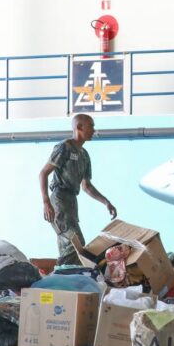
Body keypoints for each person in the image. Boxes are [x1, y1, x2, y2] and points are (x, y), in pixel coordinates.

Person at [39, 114, 117, 266]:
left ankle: (65, 277)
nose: (94, 130)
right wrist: (46, 202)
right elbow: (43, 173)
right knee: (75, 242)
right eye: (91, 126)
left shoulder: (84, 155)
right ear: (79, 127)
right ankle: (60, 276)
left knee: (67, 245)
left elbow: (86, 186)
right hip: (59, 199)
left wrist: (106, 202)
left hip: (71, 202)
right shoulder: (64, 148)